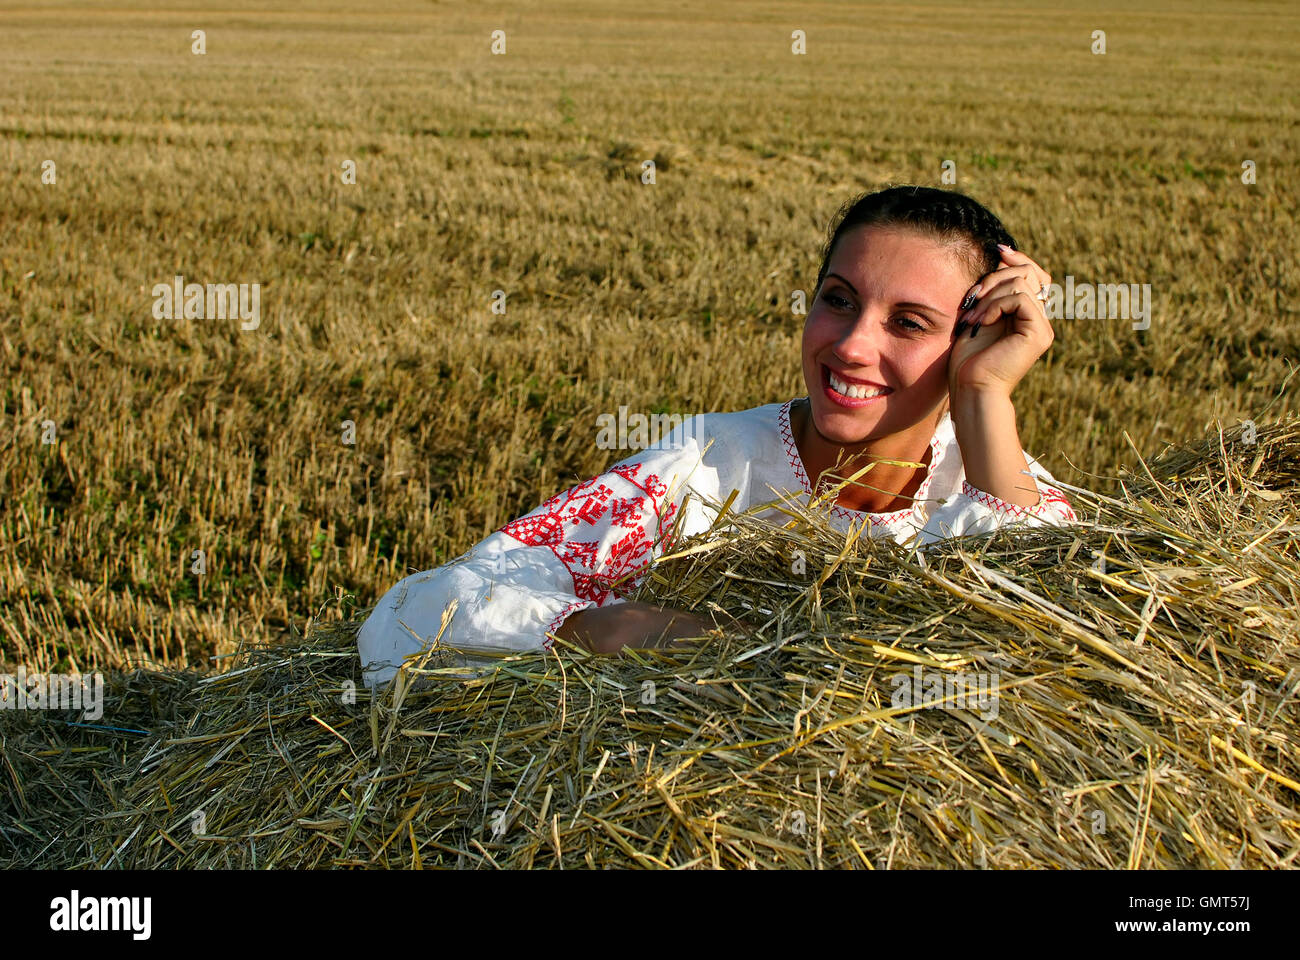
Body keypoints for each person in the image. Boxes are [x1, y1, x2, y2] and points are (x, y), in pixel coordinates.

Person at [357, 185, 1078, 690]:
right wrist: (605, 630)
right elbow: (416, 614)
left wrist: (984, 393)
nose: (853, 345)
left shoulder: (990, 481)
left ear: (971, 336)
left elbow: (1046, 652)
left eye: (909, 323)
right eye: (839, 301)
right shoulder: (706, 467)